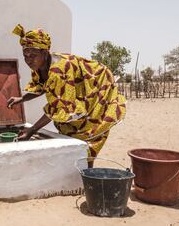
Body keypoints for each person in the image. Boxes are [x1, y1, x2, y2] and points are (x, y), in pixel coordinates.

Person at [7, 24, 126, 168]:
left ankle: (86, 173)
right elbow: (42, 85)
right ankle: (80, 169)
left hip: (97, 88)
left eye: (33, 55)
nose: (28, 60)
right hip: (79, 91)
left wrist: (31, 130)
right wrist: (22, 99)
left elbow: (58, 107)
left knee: (88, 133)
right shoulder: (40, 66)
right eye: (25, 56)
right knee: (69, 128)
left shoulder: (59, 71)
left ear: (45, 53)